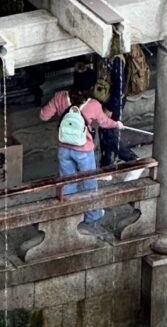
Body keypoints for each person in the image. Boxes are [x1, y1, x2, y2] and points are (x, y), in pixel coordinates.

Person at [40, 82, 123, 239]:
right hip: (84, 150)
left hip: (64, 148)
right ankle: (93, 215)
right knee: (89, 182)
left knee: (67, 181)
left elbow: (43, 115)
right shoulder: (93, 105)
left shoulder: (59, 97)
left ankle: (69, 214)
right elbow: (105, 123)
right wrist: (117, 124)